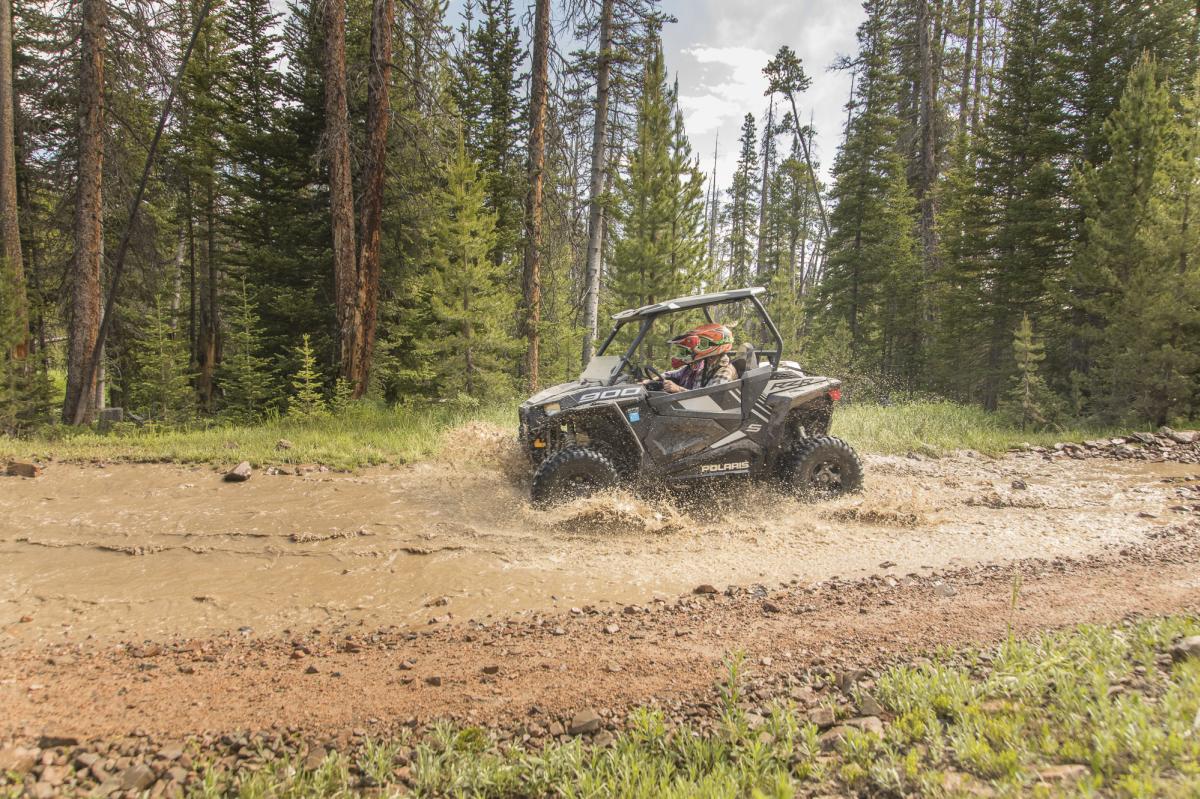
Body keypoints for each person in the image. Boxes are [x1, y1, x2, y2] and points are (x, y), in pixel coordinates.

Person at [648, 323, 738, 394]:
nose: (697, 348)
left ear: (719, 344)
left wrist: (678, 389)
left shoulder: (725, 371)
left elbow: (708, 397)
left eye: (703, 343)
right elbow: (696, 390)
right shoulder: (707, 365)